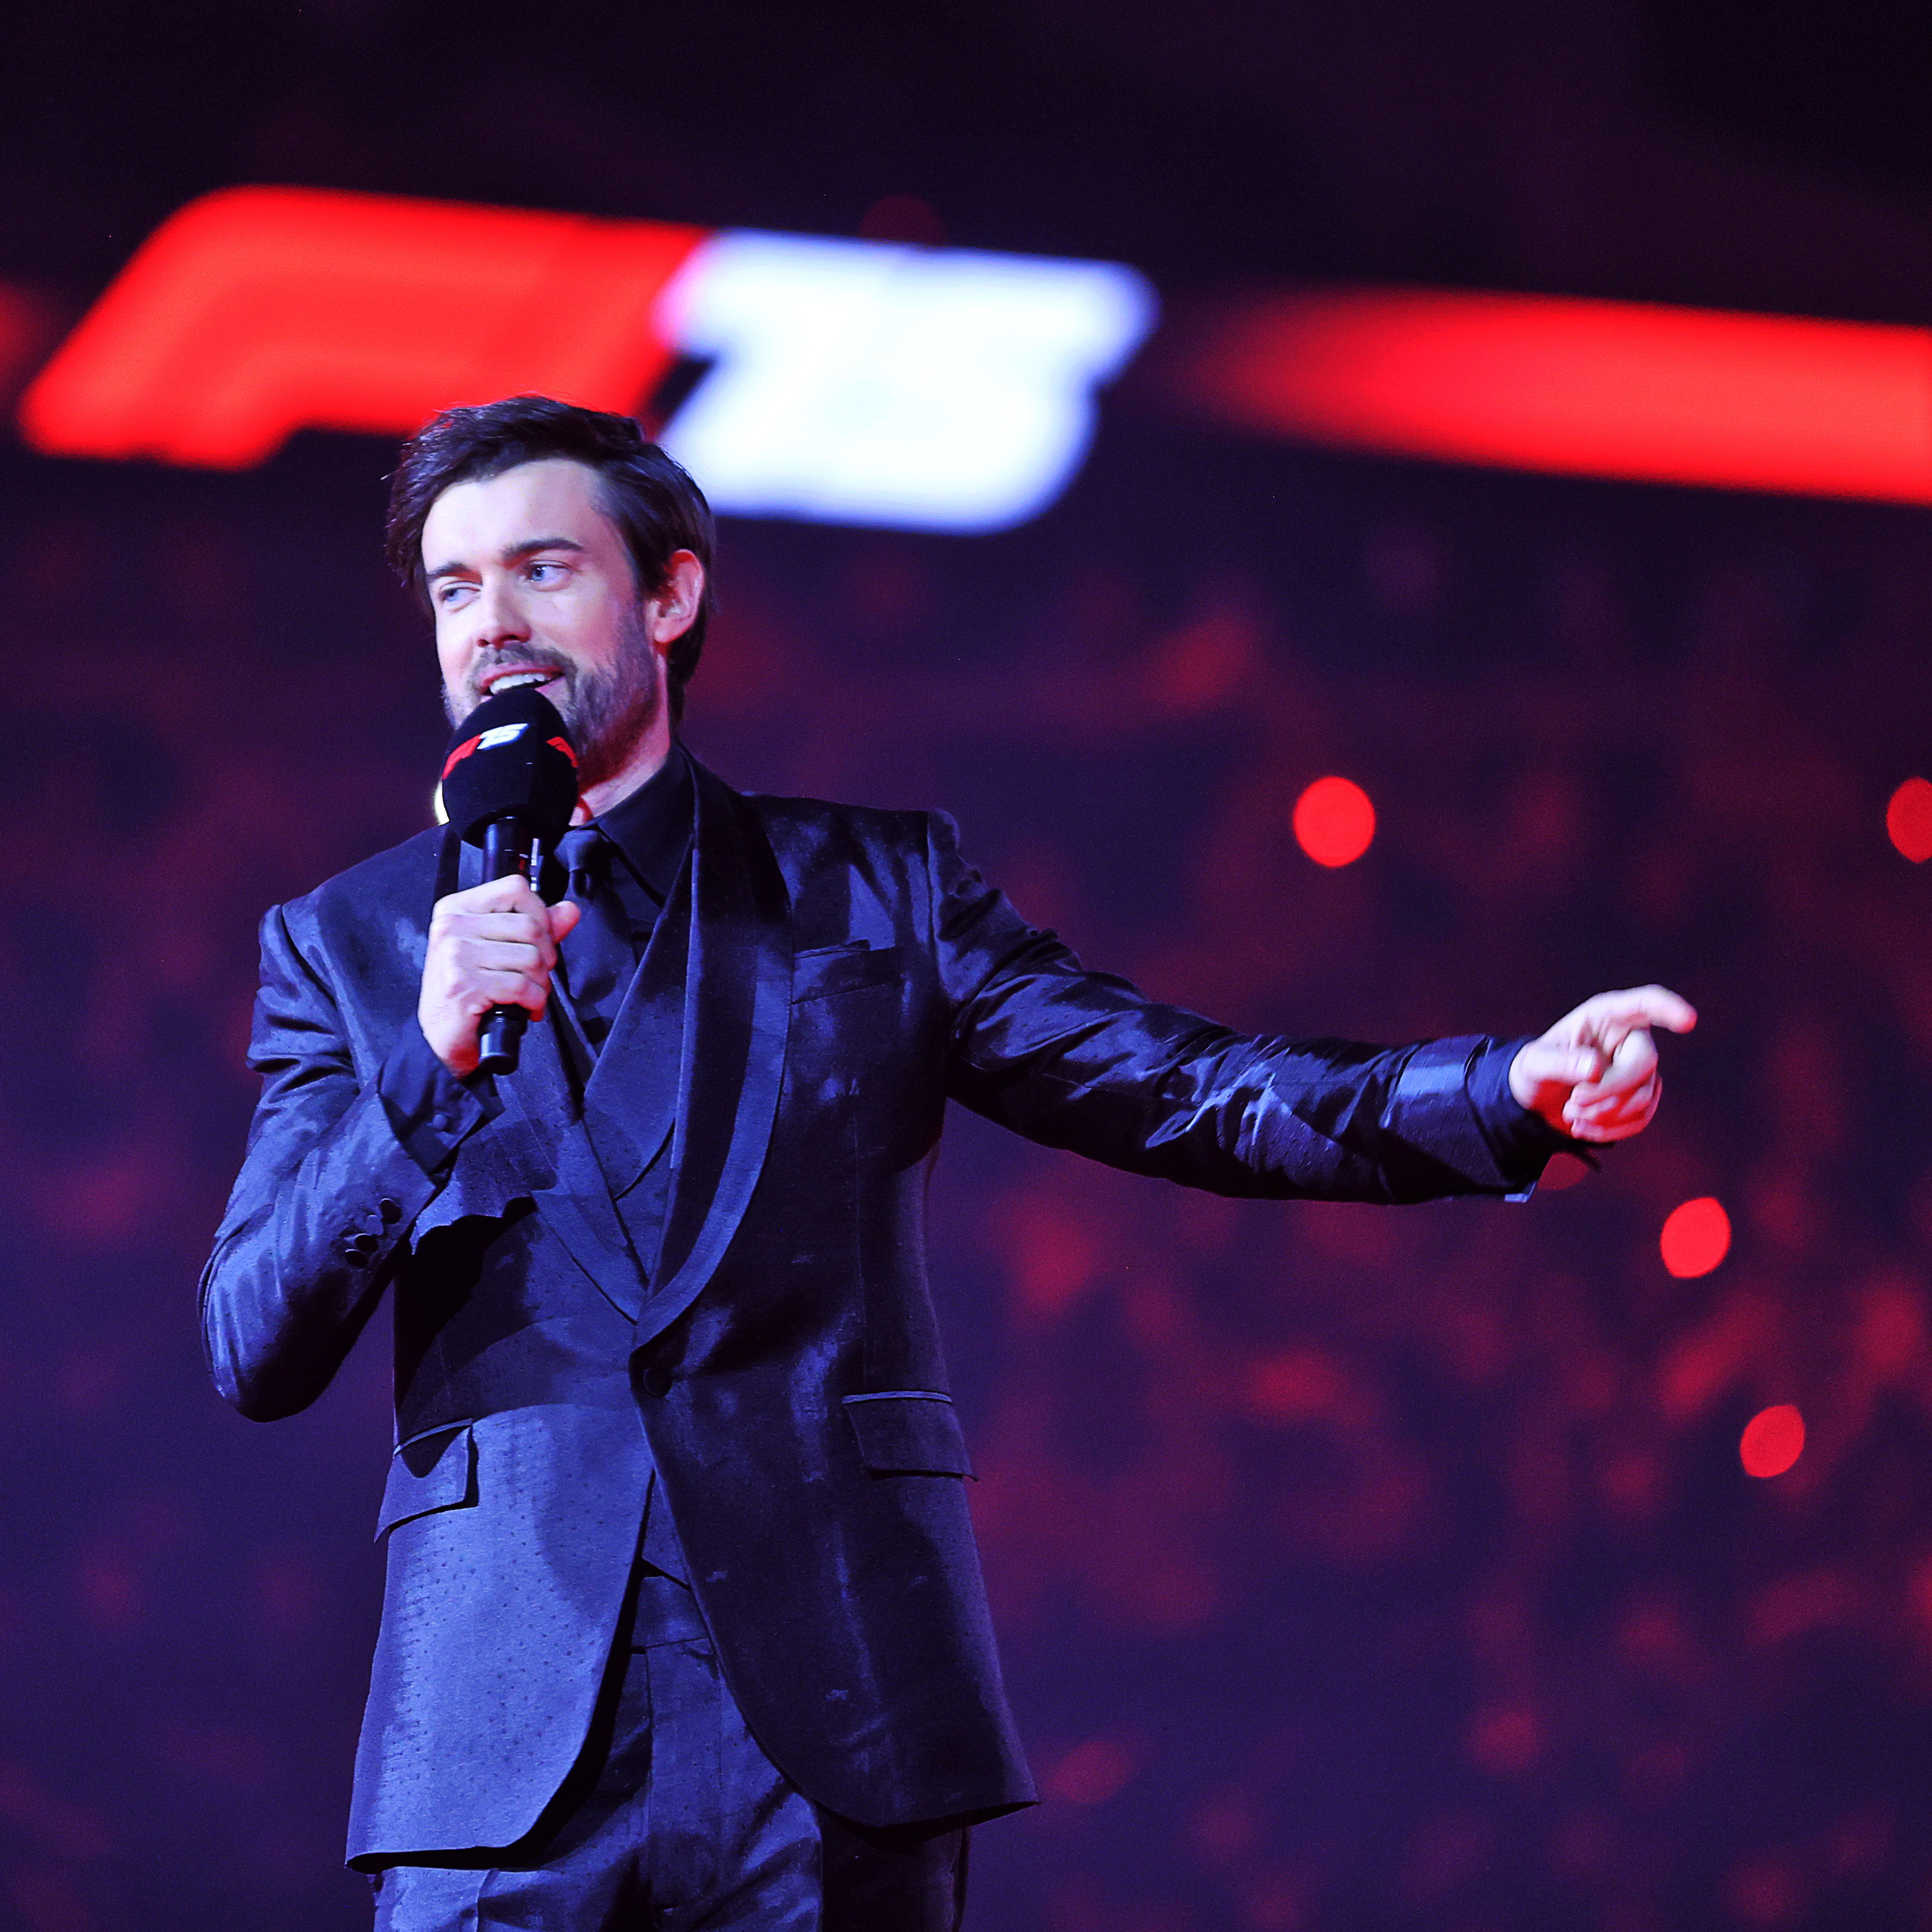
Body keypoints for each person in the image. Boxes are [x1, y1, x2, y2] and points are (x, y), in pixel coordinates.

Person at [198, 395, 1694, 1932]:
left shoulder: (873, 889)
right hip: (497, 1753)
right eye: (456, 590)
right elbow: (253, 1339)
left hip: (833, 1737)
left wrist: (1505, 1092)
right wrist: (423, 1066)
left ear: (669, 594)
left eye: (541, 570)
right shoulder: (353, 947)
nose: (493, 624)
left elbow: (1183, 1090)